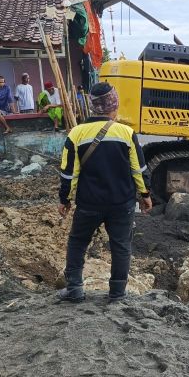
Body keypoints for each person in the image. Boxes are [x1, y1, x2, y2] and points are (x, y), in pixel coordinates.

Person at [56, 82, 152, 303]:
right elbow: (138, 169)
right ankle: (117, 294)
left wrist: (65, 199)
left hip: (89, 203)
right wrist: (145, 194)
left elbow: (69, 173)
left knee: (78, 242)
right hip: (122, 203)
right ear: (114, 107)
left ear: (92, 107)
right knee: (121, 246)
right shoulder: (126, 132)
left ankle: (75, 290)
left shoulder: (76, 134)